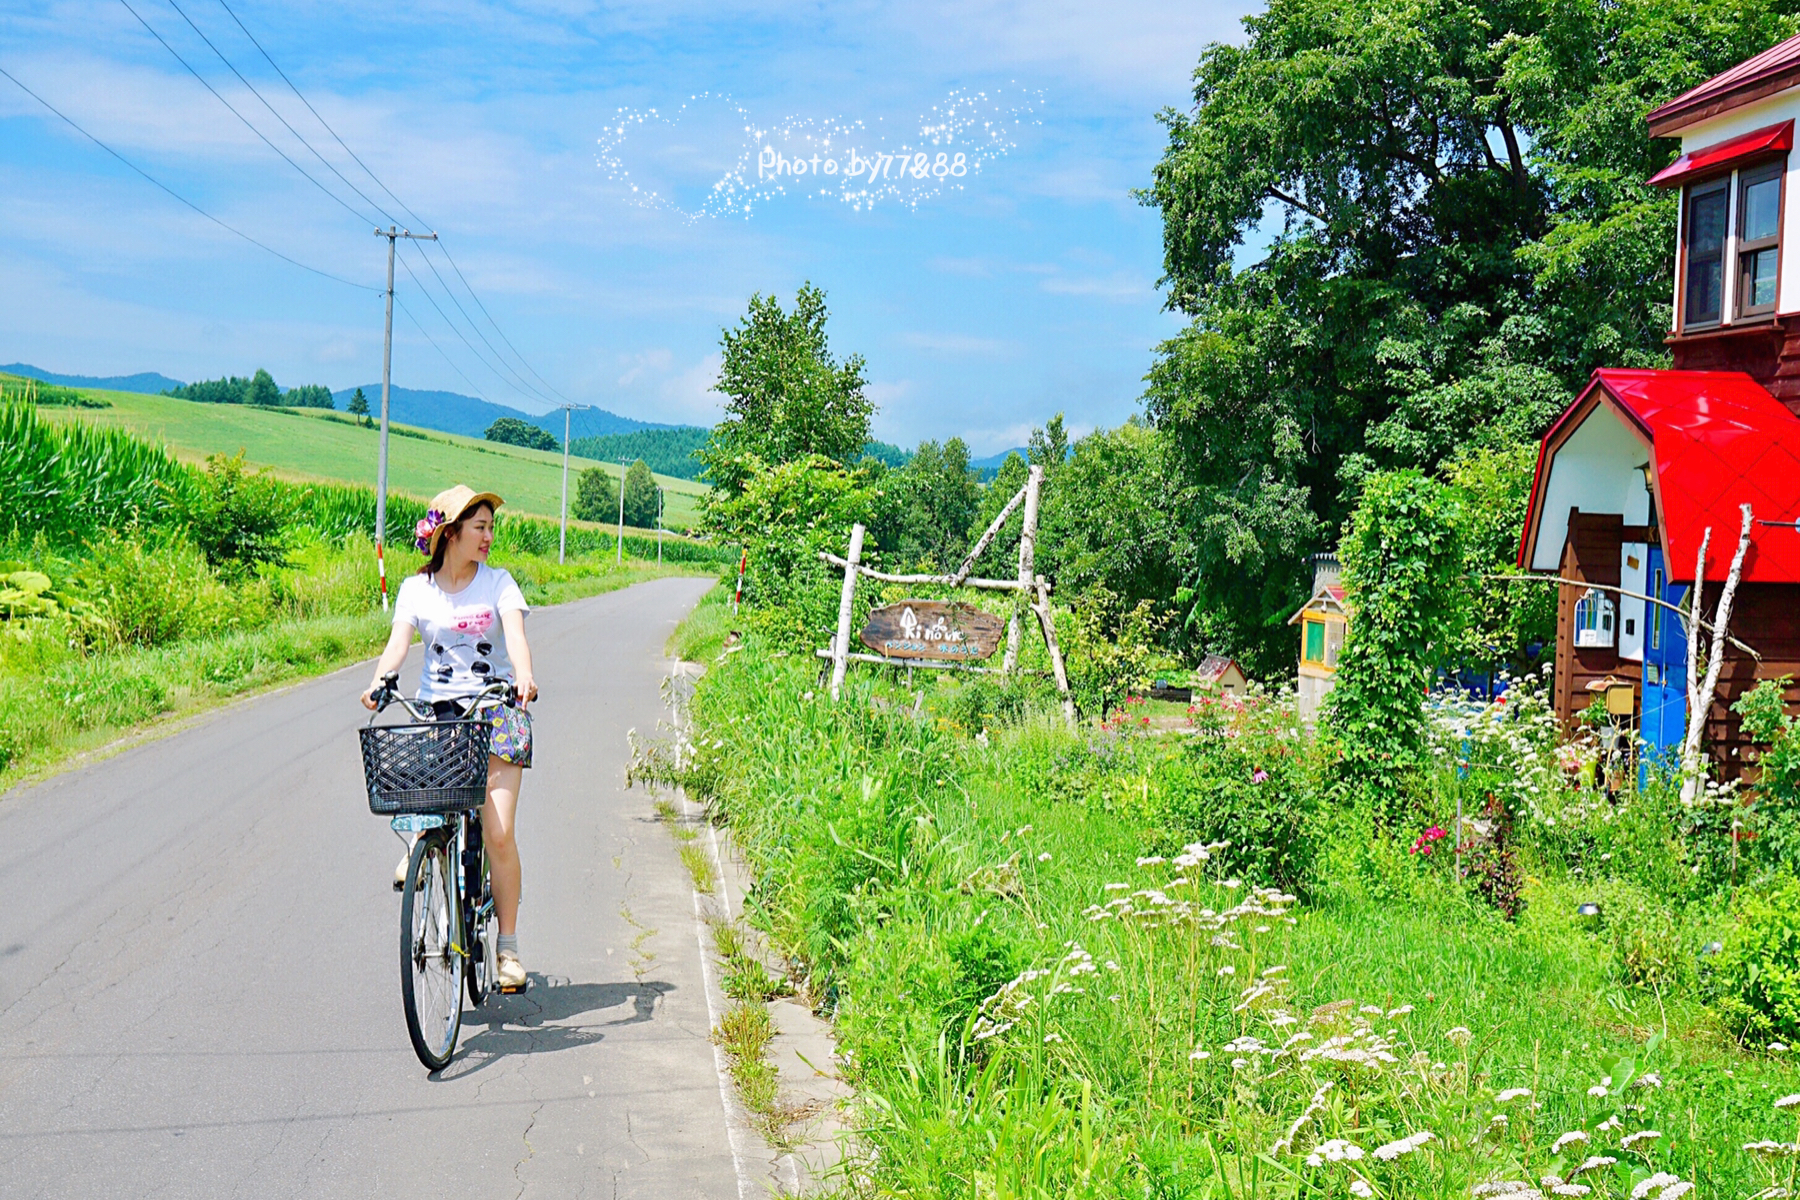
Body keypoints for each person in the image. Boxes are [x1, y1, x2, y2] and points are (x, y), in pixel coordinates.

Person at [362, 485, 538, 991]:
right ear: (450, 534)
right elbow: (398, 645)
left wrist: (523, 677)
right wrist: (379, 681)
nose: (487, 536)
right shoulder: (417, 590)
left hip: (495, 708)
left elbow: (517, 639)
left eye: (489, 527)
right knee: (427, 799)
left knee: (499, 831)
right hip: (441, 711)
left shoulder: (499, 584)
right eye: (479, 527)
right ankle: (424, 844)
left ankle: (506, 949)